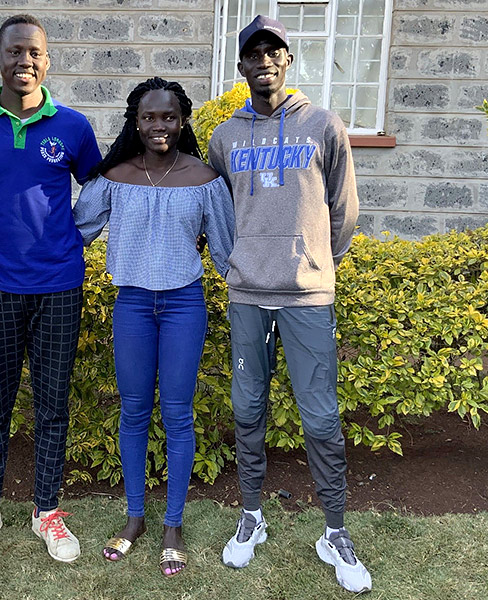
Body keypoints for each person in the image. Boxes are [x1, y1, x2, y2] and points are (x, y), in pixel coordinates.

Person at [207, 15, 371, 593]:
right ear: (242, 67)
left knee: (321, 414)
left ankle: (334, 530)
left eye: (274, 51)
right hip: (248, 292)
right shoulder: (226, 137)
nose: (265, 61)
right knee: (247, 407)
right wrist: (236, 261)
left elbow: (344, 209)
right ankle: (251, 517)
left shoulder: (323, 124)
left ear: (288, 60)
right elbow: (220, 211)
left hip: (307, 295)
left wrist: (316, 261)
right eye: (254, 54)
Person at [0, 14, 101, 565]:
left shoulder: (75, 127)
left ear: (47, 60)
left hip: (59, 285)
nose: (24, 62)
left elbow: (100, 186)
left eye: (34, 52)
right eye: (14, 52)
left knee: (52, 405)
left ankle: (47, 510)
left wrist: (74, 235)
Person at [73, 77, 235, 577]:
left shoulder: (206, 180)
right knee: (135, 412)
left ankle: (173, 524)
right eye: (149, 117)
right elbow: (75, 231)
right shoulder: (114, 177)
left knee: (178, 414)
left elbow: (229, 255)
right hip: (134, 307)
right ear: (135, 122)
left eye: (168, 117)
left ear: (183, 121)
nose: (158, 126)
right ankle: (135, 518)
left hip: (185, 304)